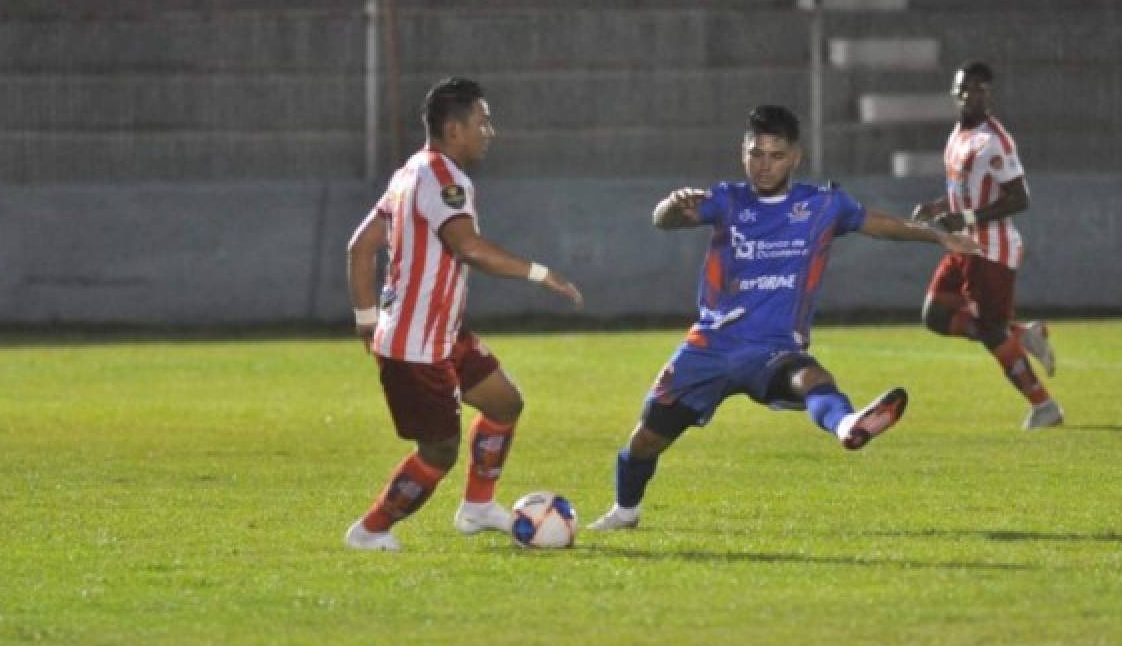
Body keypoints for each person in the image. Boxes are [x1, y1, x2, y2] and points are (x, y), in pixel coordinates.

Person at [588, 104, 980, 531]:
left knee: (811, 379)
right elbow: (665, 221)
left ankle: (849, 425)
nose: (764, 165)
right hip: (711, 347)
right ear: (743, 153)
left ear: (795, 156)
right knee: (645, 440)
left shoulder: (823, 205)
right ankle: (625, 510)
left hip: (775, 348)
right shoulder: (726, 199)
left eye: (776, 155)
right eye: (756, 153)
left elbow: (882, 225)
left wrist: (938, 236)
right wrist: (671, 203)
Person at [344, 76, 583, 551]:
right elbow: (468, 247)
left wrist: (367, 320)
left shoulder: (410, 171)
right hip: (417, 348)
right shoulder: (444, 179)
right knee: (438, 452)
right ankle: (370, 531)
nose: (489, 131)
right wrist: (542, 274)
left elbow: (360, 246)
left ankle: (476, 508)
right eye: (482, 121)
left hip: (444, 335)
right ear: (454, 130)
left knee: (504, 404)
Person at [910, 61, 1062, 430]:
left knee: (990, 330)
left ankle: (1045, 407)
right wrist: (938, 206)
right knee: (935, 314)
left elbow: (1019, 198)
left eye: (979, 88)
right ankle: (1023, 334)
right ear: (954, 92)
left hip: (992, 250)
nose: (971, 94)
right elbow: (963, 191)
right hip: (965, 246)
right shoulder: (958, 135)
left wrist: (964, 219)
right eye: (965, 87)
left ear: (988, 94)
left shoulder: (995, 141)